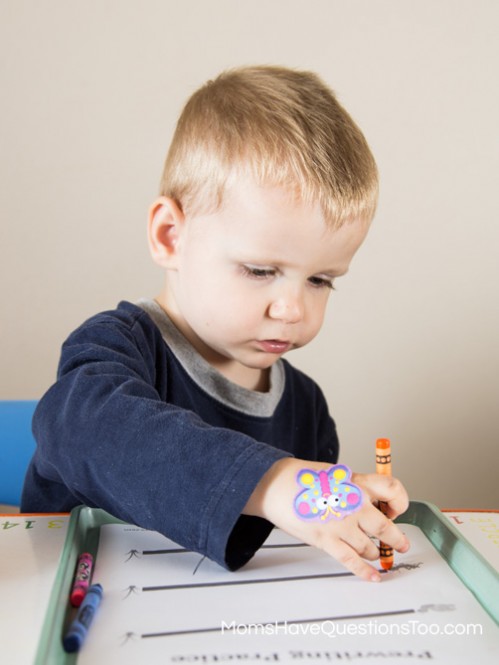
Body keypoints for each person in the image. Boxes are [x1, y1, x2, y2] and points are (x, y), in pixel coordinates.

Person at [21, 65, 409, 582]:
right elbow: (78, 427)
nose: (292, 308)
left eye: (321, 280)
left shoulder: (306, 408)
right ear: (170, 236)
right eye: (260, 270)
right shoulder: (118, 346)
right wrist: (271, 482)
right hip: (70, 609)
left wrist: (334, 507)